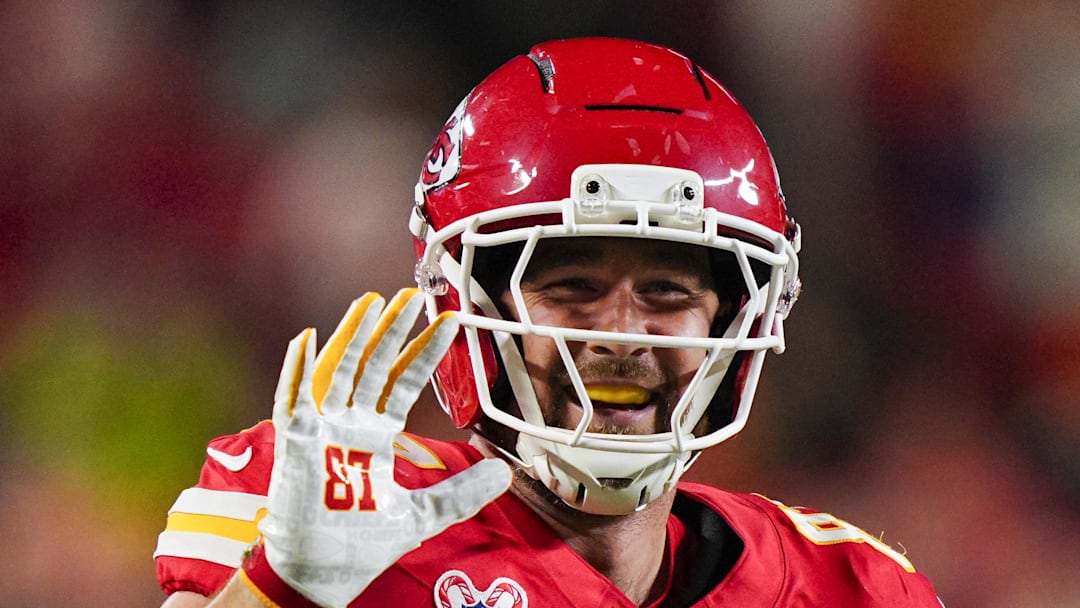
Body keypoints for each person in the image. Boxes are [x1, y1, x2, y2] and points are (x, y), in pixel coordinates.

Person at [154, 38, 943, 607]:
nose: (620, 335)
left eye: (666, 293)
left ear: (737, 316)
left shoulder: (850, 588)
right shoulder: (329, 509)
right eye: (571, 286)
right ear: (476, 306)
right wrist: (274, 593)